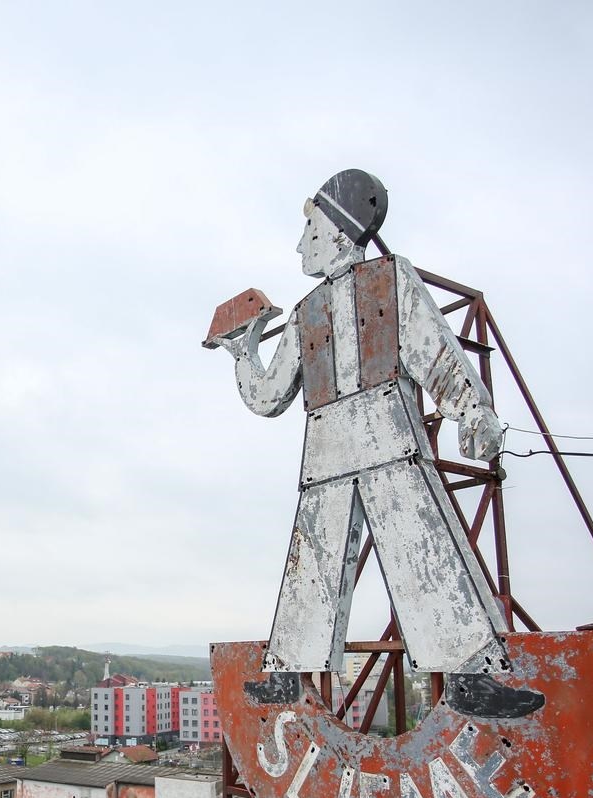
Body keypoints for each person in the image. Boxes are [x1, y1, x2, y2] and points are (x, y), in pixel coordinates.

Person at [208, 170, 515, 686]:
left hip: (388, 430)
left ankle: (472, 668)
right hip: (326, 442)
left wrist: (472, 410)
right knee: (316, 554)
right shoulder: (307, 312)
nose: (300, 244)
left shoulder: (390, 281)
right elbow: (268, 396)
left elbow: (434, 352)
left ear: (338, 232)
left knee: (417, 538)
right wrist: (242, 352)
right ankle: (289, 672)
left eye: (309, 230)